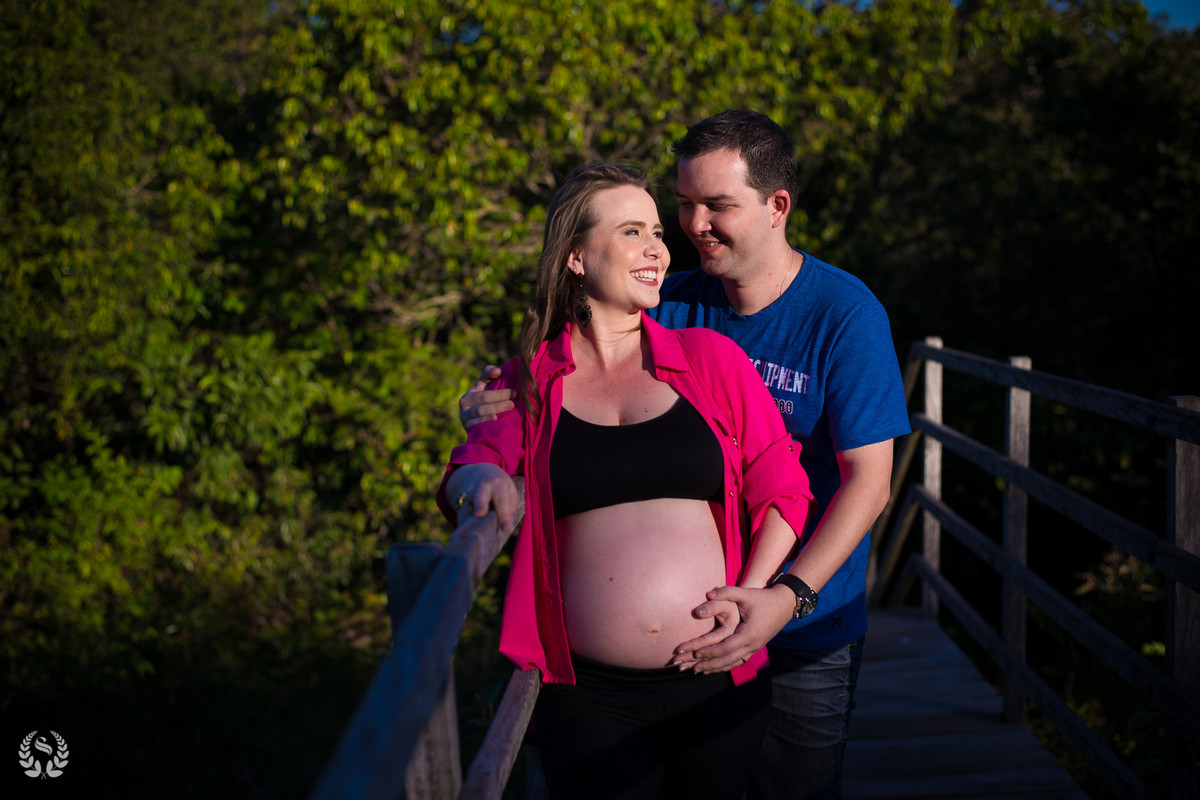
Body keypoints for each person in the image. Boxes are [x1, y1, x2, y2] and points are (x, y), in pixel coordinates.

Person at [460, 112, 910, 800]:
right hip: (691, 634)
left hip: (807, 615)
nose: (694, 225)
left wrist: (781, 596)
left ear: (776, 207)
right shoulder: (678, 306)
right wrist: (489, 414)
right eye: (686, 205)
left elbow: (868, 484)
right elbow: (578, 352)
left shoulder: (843, 315)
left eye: (718, 206)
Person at [437, 162, 813, 800]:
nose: (659, 248)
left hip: (719, 680)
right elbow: (474, 463)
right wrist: (478, 480)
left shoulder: (709, 359)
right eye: (633, 231)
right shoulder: (526, 379)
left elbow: (780, 483)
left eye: (657, 231)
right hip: (588, 700)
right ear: (577, 257)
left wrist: (753, 599)